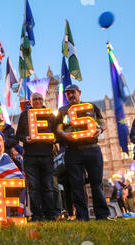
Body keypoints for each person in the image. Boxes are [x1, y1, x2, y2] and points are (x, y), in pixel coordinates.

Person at [55, 84, 110, 221]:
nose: (70, 95)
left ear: (79, 92)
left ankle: (102, 215)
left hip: (92, 148)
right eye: (67, 93)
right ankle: (82, 216)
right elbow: (58, 128)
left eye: (73, 92)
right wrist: (63, 135)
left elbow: (103, 123)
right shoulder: (62, 111)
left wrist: (101, 130)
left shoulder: (91, 107)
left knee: (96, 183)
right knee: (76, 184)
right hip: (73, 151)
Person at [17, 92, 56, 221]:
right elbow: (19, 135)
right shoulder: (24, 115)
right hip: (30, 156)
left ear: (43, 100)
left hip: (47, 155)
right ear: (31, 101)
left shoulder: (50, 115)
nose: (38, 101)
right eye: (35, 99)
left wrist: (54, 139)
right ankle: (37, 215)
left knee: (48, 186)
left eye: (40, 98)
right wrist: (25, 139)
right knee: (33, 187)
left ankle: (50, 215)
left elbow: (57, 132)